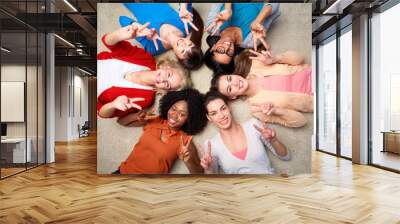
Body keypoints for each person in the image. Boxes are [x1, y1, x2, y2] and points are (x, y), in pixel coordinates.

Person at [97, 23, 192, 126]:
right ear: (166, 66)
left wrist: (113, 105)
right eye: (169, 75)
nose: (163, 80)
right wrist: (120, 35)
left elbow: (102, 113)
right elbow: (108, 42)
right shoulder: (146, 58)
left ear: (165, 90)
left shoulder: (145, 99)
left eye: (167, 84)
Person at [210, 49, 313, 128]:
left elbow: (300, 59)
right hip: (317, 98)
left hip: (317, 70)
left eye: (230, 78)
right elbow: (301, 121)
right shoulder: (257, 110)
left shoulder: (256, 64)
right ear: (233, 96)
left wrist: (275, 59)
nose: (235, 83)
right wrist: (276, 111)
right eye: (230, 89)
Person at [115, 89, 208, 174]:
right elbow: (121, 122)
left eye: (182, 114)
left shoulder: (185, 141)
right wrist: (136, 117)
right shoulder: (155, 120)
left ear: (189, 119)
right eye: (173, 109)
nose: (174, 115)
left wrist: (188, 160)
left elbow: (199, 173)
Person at [199, 91, 290, 174]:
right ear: (209, 118)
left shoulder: (253, 125)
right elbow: (212, 179)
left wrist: (273, 140)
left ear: (229, 108)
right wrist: (208, 169)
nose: (221, 116)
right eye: (214, 113)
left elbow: (285, 156)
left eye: (223, 109)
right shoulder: (211, 145)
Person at [119, 3, 204, 70]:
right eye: (190, 45)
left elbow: (122, 19)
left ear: (177, 57)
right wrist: (183, 7)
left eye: (183, 51)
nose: (184, 44)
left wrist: (137, 27)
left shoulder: (154, 48)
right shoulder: (186, 25)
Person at [203, 3, 280, 74]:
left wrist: (228, 9)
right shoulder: (251, 41)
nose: (227, 46)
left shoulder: (211, 26)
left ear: (213, 48)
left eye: (220, 50)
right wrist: (258, 21)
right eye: (229, 53)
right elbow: (275, 5)